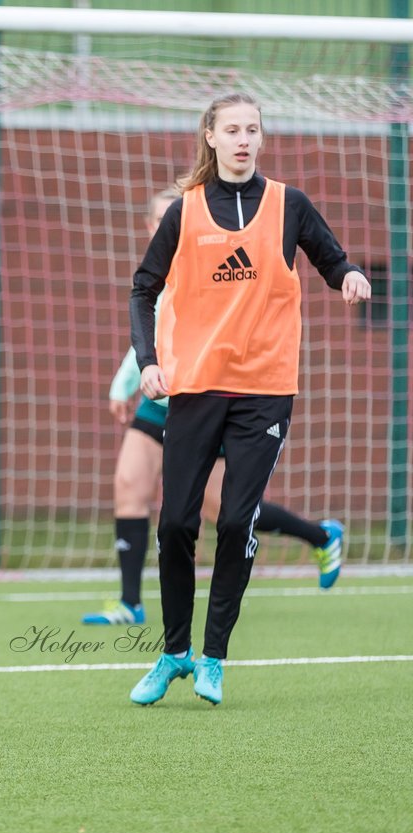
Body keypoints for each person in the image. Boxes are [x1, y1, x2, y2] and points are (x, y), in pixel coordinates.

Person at [127, 93, 370, 706]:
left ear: (262, 139)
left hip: (265, 388)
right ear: (209, 136)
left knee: (237, 519)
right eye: (231, 129)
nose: (242, 139)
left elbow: (330, 258)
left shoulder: (290, 204)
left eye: (252, 130)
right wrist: (149, 362)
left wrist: (348, 276)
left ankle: (213, 657)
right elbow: (143, 289)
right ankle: (174, 651)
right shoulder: (183, 214)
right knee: (178, 520)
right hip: (194, 385)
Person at [83, 189, 345, 627]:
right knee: (129, 482)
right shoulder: (158, 274)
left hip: (205, 399)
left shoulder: (208, 267)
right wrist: (124, 385)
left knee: (223, 510)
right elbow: (147, 334)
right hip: (159, 400)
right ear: (153, 228)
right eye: (159, 220)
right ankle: (130, 602)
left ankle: (320, 536)